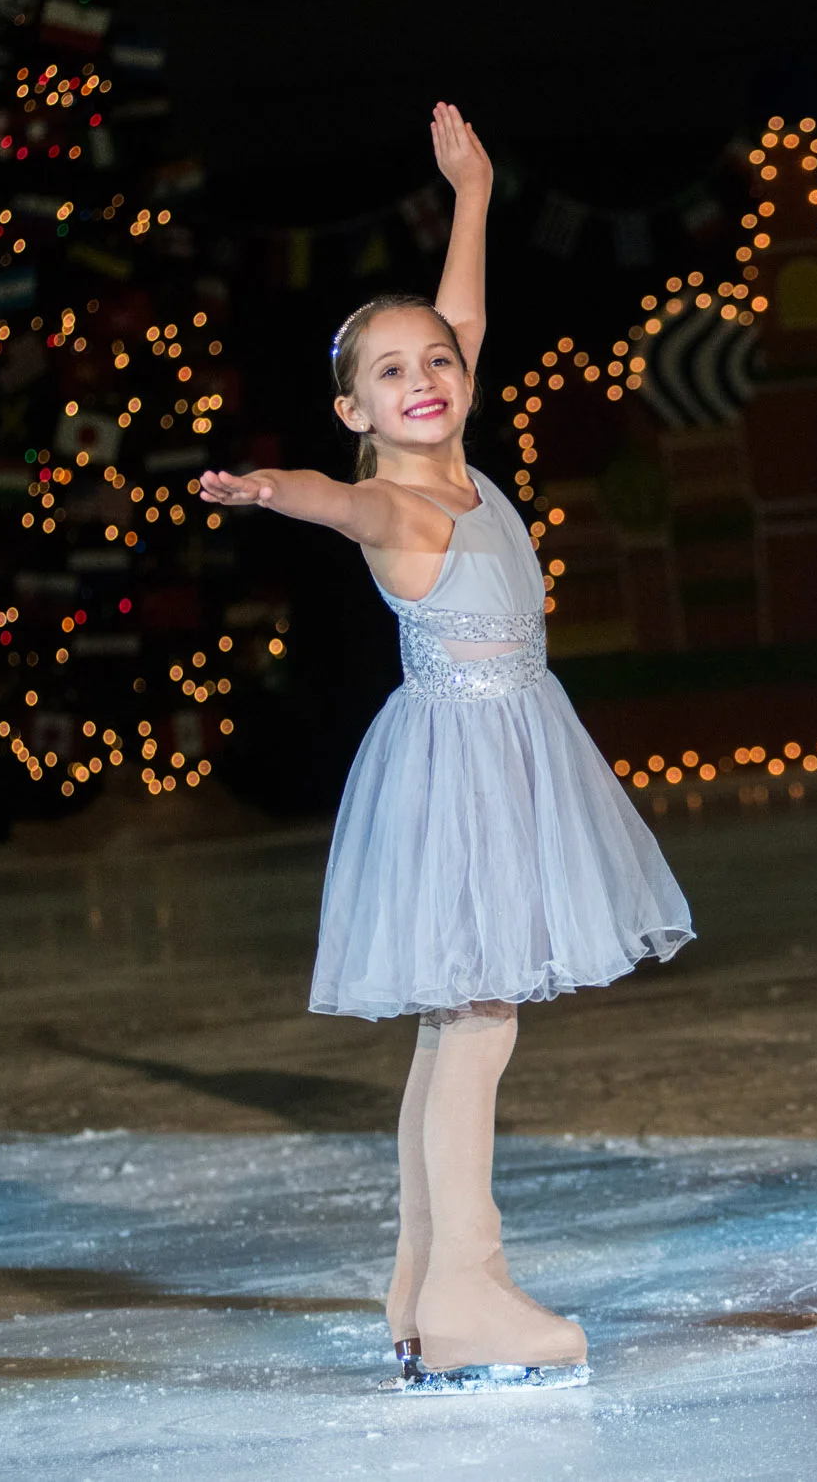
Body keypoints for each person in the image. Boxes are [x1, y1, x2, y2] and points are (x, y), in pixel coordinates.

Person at [201, 104, 692, 1393]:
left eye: (439, 361)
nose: (427, 373)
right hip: (462, 775)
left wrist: (472, 196)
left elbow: (461, 318)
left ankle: (419, 1285)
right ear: (353, 407)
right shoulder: (396, 502)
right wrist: (276, 489)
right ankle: (470, 1291)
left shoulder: (464, 462)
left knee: (458, 1035)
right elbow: (339, 499)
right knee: (475, 1031)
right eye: (393, 371)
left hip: (509, 755)